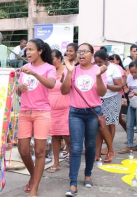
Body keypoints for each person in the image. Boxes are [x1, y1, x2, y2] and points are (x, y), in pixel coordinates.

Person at [61, 43, 107, 197]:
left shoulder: (98, 70)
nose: (81, 54)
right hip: (75, 113)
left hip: (93, 112)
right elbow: (64, 91)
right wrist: (69, 72)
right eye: (79, 51)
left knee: (90, 144)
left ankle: (88, 174)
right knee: (75, 148)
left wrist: (99, 76)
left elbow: (101, 92)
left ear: (92, 54)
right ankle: (73, 184)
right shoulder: (73, 70)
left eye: (84, 51)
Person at [17, 38, 56, 196]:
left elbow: (51, 84)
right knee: (23, 151)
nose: (28, 52)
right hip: (25, 112)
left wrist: (34, 73)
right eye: (27, 50)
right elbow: (19, 92)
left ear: (40, 51)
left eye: (31, 49)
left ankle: (35, 187)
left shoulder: (49, 68)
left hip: (42, 113)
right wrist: (19, 88)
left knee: (40, 152)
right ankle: (34, 176)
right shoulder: (24, 67)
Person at [94, 50, 122, 163]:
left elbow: (119, 86)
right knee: (98, 128)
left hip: (111, 99)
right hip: (98, 99)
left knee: (106, 126)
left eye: (100, 62)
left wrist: (106, 86)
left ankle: (110, 150)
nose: (98, 64)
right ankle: (97, 153)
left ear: (106, 59)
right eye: (96, 62)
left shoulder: (114, 69)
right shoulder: (95, 68)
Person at [47, 49, 70, 173]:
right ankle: (56, 163)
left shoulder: (68, 70)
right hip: (51, 109)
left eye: (52, 59)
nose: (50, 61)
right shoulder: (49, 71)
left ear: (60, 58)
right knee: (55, 136)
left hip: (66, 108)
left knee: (67, 136)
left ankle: (72, 158)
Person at [119, 61, 137, 154]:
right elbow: (128, 89)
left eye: (135, 72)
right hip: (132, 104)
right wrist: (126, 90)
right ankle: (129, 145)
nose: (133, 74)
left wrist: (135, 93)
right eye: (132, 72)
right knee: (129, 125)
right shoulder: (130, 77)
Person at [109, 54, 127, 132]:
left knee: (113, 119)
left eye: (114, 61)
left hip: (117, 95)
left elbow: (123, 83)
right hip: (109, 96)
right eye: (111, 61)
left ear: (118, 61)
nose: (112, 62)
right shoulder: (108, 68)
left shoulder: (119, 68)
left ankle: (130, 135)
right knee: (115, 119)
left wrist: (110, 85)